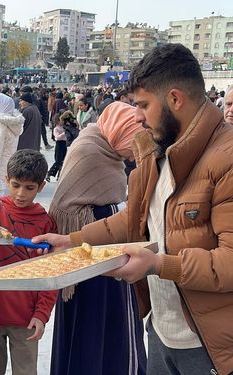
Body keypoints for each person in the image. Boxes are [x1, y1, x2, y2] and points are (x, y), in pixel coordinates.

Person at [34, 44, 233, 375]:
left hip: (218, 345)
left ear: (175, 99)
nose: (136, 116)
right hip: (163, 333)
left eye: (143, 105)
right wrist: (74, 241)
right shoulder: (158, 152)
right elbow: (136, 219)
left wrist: (157, 264)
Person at [49, 102, 147, 375]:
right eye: (133, 142)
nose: (134, 152)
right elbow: (66, 208)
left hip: (107, 252)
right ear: (121, 132)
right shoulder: (90, 152)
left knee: (110, 327)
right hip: (90, 260)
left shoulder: (107, 151)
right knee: (93, 328)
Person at [0, 149, 57, 375]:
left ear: (41, 186)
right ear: (6, 180)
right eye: (15, 185)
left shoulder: (45, 223)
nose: (21, 193)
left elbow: (51, 273)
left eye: (30, 187)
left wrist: (42, 314)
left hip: (26, 319)